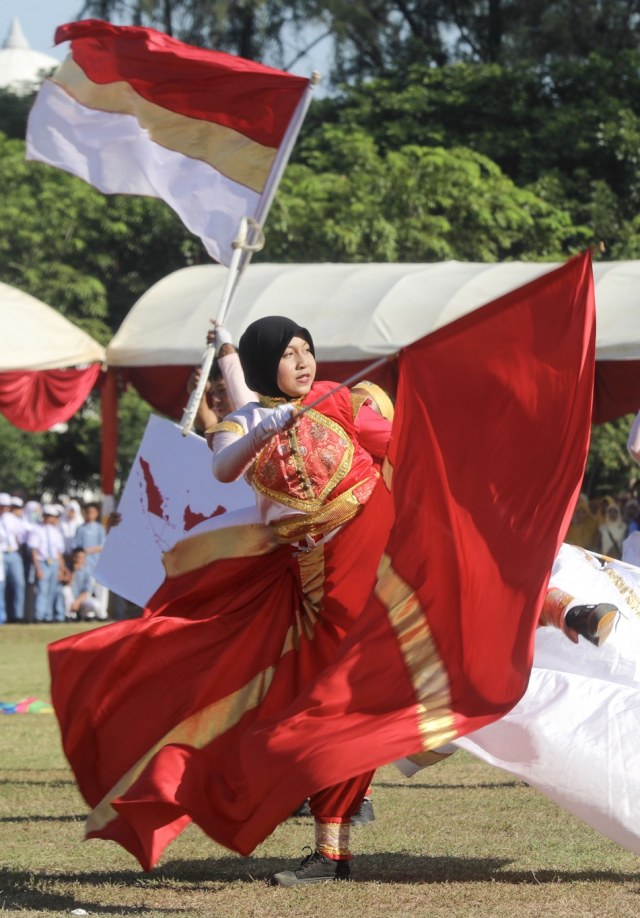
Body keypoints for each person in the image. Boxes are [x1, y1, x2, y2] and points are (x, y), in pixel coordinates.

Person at [48, 315, 396, 883]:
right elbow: (224, 467)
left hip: (375, 552)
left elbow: (397, 444)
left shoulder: (336, 399)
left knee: (349, 696)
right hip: (318, 585)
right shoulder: (242, 424)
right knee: (322, 704)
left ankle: (557, 606)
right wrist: (263, 416)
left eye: (307, 349)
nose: (304, 361)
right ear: (267, 367)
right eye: (288, 354)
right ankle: (331, 835)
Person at [29, 504, 67, 622]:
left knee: (52, 590)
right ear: (44, 516)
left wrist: (62, 567)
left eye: (54, 516)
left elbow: (58, 552)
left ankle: (48, 615)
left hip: (54, 562)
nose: (52, 519)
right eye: (50, 516)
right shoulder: (37, 529)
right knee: (42, 590)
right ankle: (39, 615)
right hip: (43, 562)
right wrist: (38, 568)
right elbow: (34, 551)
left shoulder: (56, 531)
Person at [0, 492, 25, 622]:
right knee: (1, 586)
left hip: (13, 553)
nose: (4, 508)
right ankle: (3, 616)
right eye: (2, 506)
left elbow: (21, 536)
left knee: (18, 584)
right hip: (1, 553)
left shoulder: (12, 519)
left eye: (6, 506)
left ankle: (17, 615)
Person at [58, 548, 101, 621]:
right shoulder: (67, 568)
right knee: (65, 591)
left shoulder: (87, 572)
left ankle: (85, 615)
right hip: (70, 599)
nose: (79, 560)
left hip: (81, 599)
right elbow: (66, 585)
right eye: (77, 557)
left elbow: (86, 591)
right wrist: (73, 572)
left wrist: (77, 602)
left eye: (81, 558)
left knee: (96, 604)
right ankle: (70, 615)